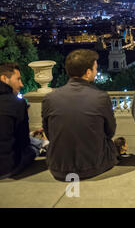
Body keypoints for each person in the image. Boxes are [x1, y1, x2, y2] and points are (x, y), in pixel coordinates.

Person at [42, 49, 118, 180]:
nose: (96, 72)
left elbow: (49, 133)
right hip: (94, 166)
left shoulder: (50, 98)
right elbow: (110, 132)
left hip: (58, 168)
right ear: (88, 73)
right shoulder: (100, 97)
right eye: (95, 69)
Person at [0, 63, 47, 179]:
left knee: (32, 139)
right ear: (4, 78)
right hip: (6, 168)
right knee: (34, 146)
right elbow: (23, 143)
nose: (21, 84)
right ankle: (44, 144)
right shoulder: (16, 104)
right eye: (18, 79)